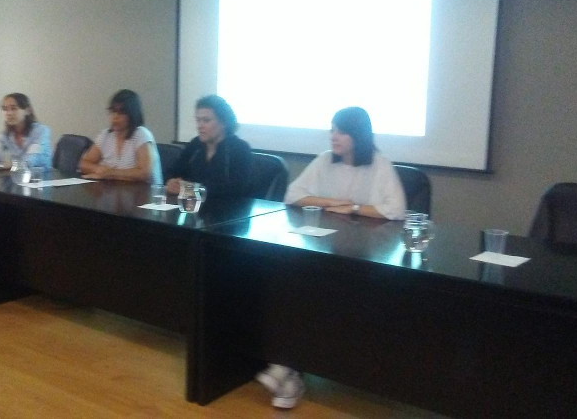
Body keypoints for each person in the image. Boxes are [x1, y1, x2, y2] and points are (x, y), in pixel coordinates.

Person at [257, 107, 406, 410]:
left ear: (358, 135)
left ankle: (286, 369)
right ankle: (287, 370)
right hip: (323, 252)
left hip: (364, 259)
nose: (333, 136)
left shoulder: (379, 164)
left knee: (312, 297)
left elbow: (396, 209)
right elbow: (293, 194)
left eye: (341, 131)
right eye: (332, 130)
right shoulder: (325, 160)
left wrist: (353, 208)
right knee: (289, 286)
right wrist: (332, 202)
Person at [165, 95, 252, 198]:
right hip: (191, 204)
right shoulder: (195, 144)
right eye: (198, 120)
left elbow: (237, 188)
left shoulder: (240, 148)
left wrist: (194, 190)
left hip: (226, 206)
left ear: (224, 122)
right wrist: (171, 181)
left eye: (206, 120)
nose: (200, 126)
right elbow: (173, 171)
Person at [78, 89, 162, 185]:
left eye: (121, 113)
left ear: (132, 115)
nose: (115, 117)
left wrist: (109, 173)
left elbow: (144, 173)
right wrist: (98, 169)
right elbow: (83, 164)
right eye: (113, 111)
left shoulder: (141, 134)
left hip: (143, 192)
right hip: (114, 190)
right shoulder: (106, 135)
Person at [0, 93, 52, 171]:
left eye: (13, 108)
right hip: (18, 176)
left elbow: (29, 161)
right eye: (5, 109)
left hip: (42, 176)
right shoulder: (7, 134)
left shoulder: (41, 131)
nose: (8, 113)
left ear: (27, 111)